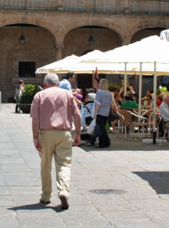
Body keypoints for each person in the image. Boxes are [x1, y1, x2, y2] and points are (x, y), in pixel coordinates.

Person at [31, 72, 81, 210]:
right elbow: (77, 115)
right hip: (64, 133)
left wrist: (35, 137)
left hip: (45, 134)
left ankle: (46, 195)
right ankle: (63, 191)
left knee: (45, 164)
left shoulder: (39, 95)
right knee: (64, 164)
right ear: (58, 84)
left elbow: (35, 119)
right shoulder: (67, 94)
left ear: (45, 84)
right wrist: (77, 133)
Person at [89, 78, 114, 148]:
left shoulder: (99, 92)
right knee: (103, 127)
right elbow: (111, 103)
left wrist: (95, 113)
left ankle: (104, 142)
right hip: (106, 112)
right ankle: (105, 142)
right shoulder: (109, 93)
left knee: (101, 128)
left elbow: (98, 104)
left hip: (100, 112)